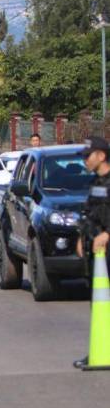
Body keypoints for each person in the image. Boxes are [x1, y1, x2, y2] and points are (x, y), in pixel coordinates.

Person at [74, 137, 110, 368]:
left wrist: (107, 234)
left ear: (101, 156)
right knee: (98, 303)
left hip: (107, 248)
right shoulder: (97, 182)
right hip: (96, 253)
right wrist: (81, 237)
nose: (85, 160)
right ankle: (100, 348)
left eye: (88, 155)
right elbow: (90, 213)